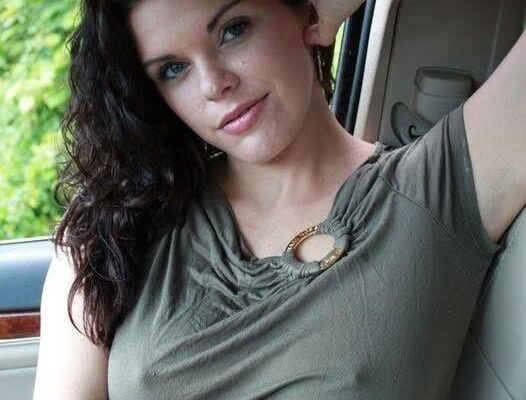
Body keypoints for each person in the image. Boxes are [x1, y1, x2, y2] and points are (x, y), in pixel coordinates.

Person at [33, 0, 525, 398]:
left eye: (233, 30)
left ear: (304, 12)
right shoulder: (110, 235)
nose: (214, 84)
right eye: (174, 68)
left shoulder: (438, 187)